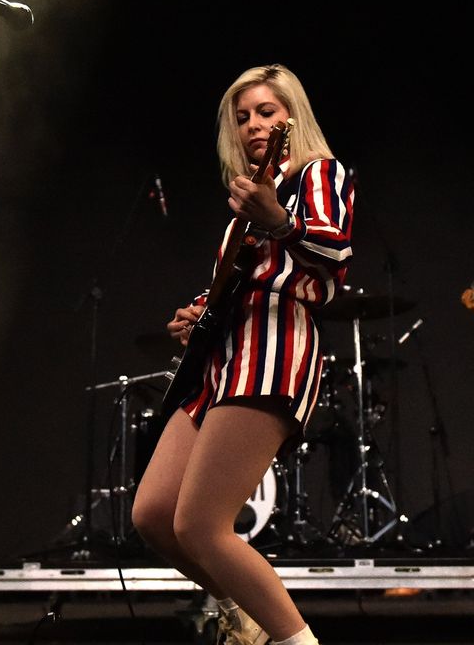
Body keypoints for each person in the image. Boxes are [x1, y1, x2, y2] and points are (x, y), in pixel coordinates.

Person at [131, 64, 354, 645]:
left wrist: (277, 218)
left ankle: (292, 639)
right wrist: (198, 310)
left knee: (202, 525)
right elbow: (243, 279)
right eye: (244, 116)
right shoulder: (245, 206)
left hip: (274, 352)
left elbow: (331, 258)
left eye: (267, 112)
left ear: (291, 118)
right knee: (153, 516)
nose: (255, 124)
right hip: (220, 363)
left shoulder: (316, 172)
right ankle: (248, 620)